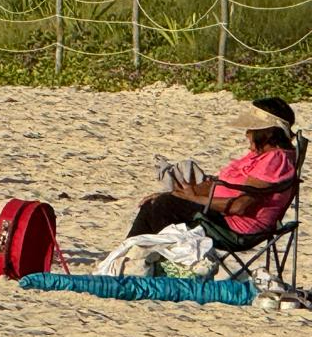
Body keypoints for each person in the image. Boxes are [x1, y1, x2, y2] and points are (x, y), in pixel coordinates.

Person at [127, 97, 298, 238]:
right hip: (223, 215)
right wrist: (176, 193)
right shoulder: (263, 155)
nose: (247, 134)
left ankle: (133, 262)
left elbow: (239, 206)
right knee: (156, 203)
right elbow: (221, 184)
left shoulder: (274, 161)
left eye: (251, 129)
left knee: (163, 206)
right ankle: (128, 259)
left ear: (266, 133)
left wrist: (192, 198)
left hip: (237, 228)